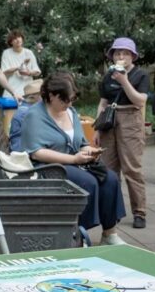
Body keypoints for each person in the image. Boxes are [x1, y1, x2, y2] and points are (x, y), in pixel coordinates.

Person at [22, 73, 126, 245]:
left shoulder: (70, 111)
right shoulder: (34, 116)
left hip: (75, 163)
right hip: (47, 167)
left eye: (72, 100)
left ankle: (109, 233)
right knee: (88, 183)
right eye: (65, 100)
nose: (69, 104)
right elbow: (36, 153)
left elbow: (81, 143)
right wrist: (74, 160)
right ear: (51, 96)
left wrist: (90, 151)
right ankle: (78, 234)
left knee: (111, 179)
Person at [93, 37, 150, 229]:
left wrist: (124, 80)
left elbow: (140, 101)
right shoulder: (108, 76)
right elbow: (103, 102)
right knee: (108, 169)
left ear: (133, 56)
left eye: (125, 53)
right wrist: (97, 128)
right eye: (117, 53)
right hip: (109, 120)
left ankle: (139, 212)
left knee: (132, 169)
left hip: (130, 118)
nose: (121, 56)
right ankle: (112, 211)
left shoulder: (140, 75)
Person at [0, 29, 41, 100]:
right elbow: (4, 72)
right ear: (11, 42)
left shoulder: (29, 53)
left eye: (19, 37)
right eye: (14, 39)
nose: (18, 40)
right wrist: (18, 68)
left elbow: (37, 72)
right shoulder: (6, 53)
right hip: (11, 91)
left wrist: (29, 73)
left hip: (28, 91)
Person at [9, 79, 42, 153]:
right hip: (21, 152)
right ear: (32, 97)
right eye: (42, 95)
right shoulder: (26, 112)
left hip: (23, 148)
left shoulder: (28, 108)